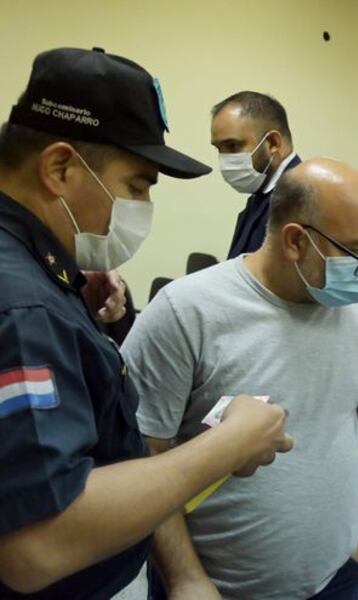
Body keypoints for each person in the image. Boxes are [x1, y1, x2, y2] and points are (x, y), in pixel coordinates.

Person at [0, 47, 293, 599]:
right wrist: (228, 446)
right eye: (137, 186)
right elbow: (36, 542)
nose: (141, 206)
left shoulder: (35, 276)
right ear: (60, 169)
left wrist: (72, 307)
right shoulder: (22, 305)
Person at [121, 158, 358, 599]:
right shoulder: (187, 312)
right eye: (356, 251)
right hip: (214, 587)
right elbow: (144, 450)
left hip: (337, 577)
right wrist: (185, 578)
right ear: (296, 241)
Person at [211, 91, 301, 259]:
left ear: (273, 143)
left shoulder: (301, 201)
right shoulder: (263, 196)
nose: (225, 160)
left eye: (232, 146)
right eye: (219, 149)